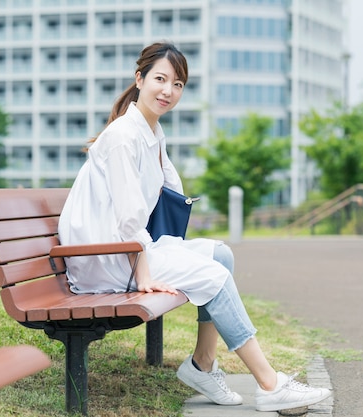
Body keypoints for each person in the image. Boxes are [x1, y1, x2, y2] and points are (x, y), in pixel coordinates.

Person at [58, 42, 331, 412]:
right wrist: (143, 271)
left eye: (178, 83)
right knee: (213, 275)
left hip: (122, 248)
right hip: (104, 258)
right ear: (139, 79)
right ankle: (269, 384)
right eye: (160, 79)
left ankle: (202, 364)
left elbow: (170, 190)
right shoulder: (124, 136)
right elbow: (128, 217)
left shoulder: (151, 133)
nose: (169, 91)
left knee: (220, 253)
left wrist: (175, 244)